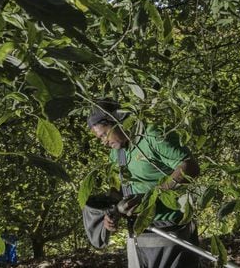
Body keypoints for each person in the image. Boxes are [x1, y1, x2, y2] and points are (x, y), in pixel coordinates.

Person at [83, 99, 201, 268]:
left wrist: (150, 197)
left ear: (117, 121)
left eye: (103, 134)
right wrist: (112, 213)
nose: (103, 142)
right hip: (138, 233)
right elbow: (120, 188)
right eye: (100, 138)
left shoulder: (153, 136)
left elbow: (190, 166)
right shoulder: (118, 153)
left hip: (170, 228)